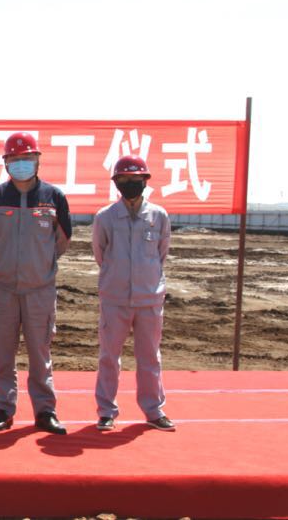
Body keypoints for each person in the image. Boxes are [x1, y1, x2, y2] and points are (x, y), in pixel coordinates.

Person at [0, 132, 71, 435]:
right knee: (2, 354)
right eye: (15, 159)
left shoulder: (53, 197)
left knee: (40, 354)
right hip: (2, 291)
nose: (21, 164)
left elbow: (61, 240)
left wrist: (38, 266)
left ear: (37, 160)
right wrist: (4, 267)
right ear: (6, 162)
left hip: (39, 291)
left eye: (27, 158)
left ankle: (45, 411)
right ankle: (4, 410)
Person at [92, 155, 175, 432]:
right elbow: (101, 254)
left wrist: (146, 281)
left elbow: (161, 254)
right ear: (116, 182)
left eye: (136, 179)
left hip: (149, 298)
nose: (130, 184)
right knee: (109, 357)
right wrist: (117, 278)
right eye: (124, 179)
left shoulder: (158, 216)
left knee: (150, 357)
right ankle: (106, 411)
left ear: (145, 181)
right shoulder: (104, 217)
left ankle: (153, 410)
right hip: (115, 298)